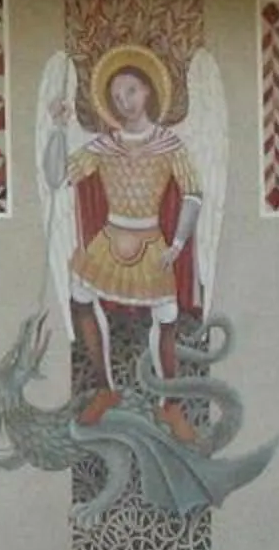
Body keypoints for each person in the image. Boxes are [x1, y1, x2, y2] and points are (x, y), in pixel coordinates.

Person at [43, 46, 204, 443]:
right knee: (81, 298)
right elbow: (56, 176)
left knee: (166, 317)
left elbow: (193, 194)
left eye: (131, 91)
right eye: (116, 96)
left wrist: (178, 243)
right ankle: (105, 388)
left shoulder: (169, 145)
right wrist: (58, 129)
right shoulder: (105, 146)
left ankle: (171, 404)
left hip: (150, 243)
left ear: (148, 91)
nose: (124, 101)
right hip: (109, 240)